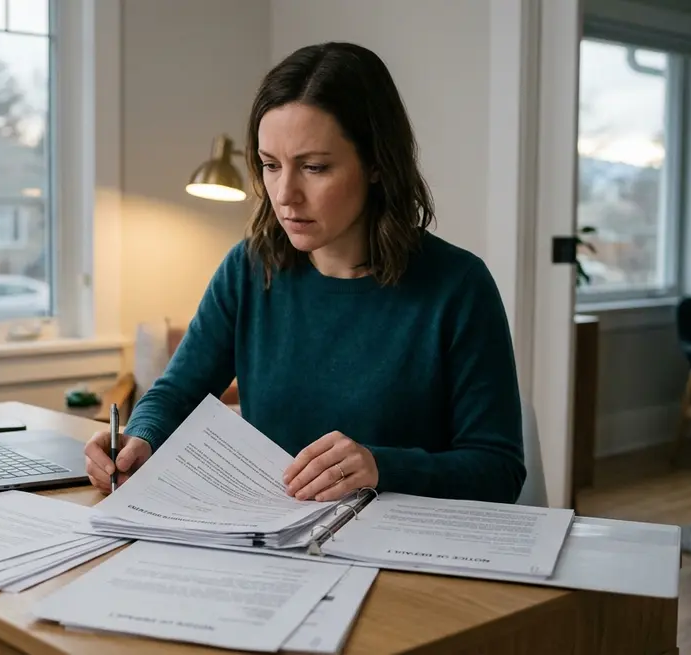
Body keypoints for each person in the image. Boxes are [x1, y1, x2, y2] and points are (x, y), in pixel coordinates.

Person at [84, 41, 526, 504]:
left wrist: (381, 467)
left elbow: (498, 471)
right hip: (270, 541)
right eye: (270, 166)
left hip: (403, 551)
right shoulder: (249, 269)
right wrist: (139, 438)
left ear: (377, 163)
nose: (285, 194)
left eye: (314, 167)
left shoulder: (458, 286)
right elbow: (177, 391)